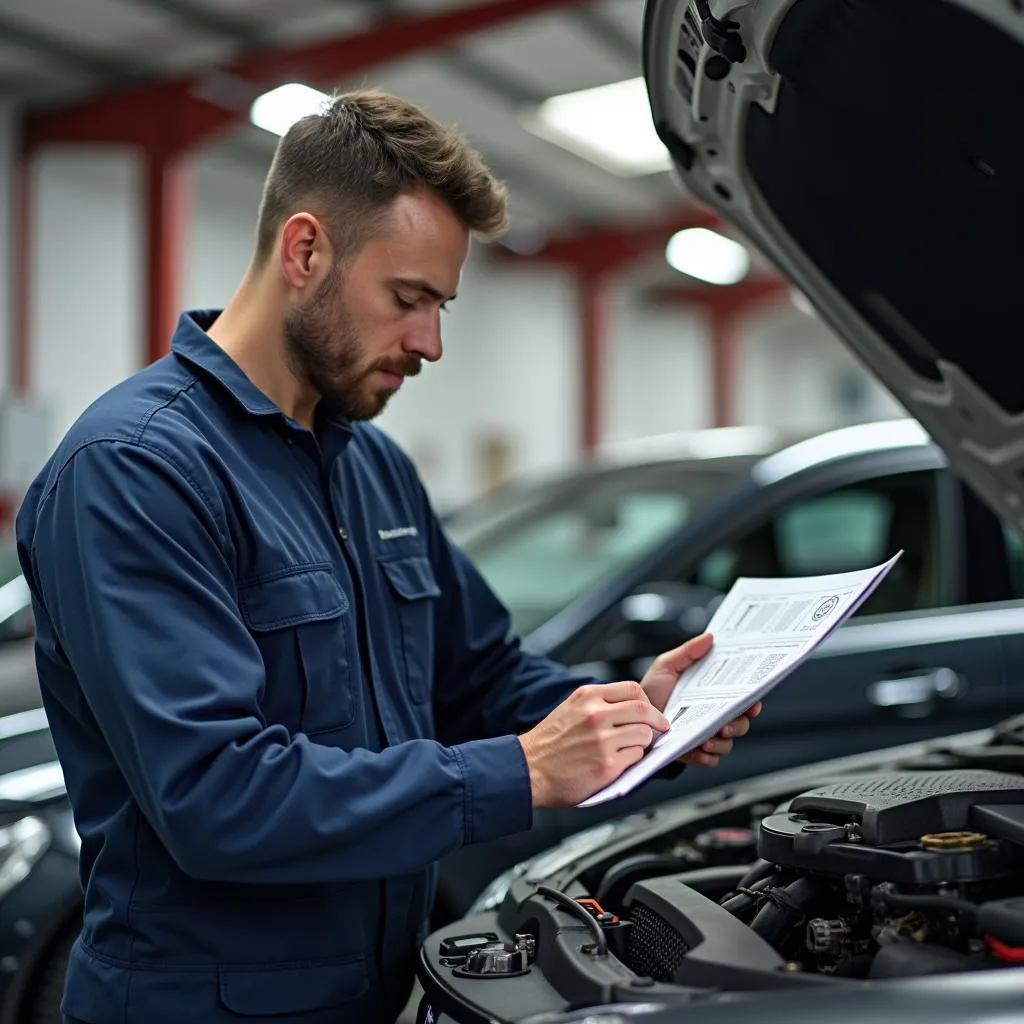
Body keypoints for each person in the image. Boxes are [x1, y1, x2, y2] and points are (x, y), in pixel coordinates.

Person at [15, 90, 761, 1024]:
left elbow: (476, 675)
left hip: (385, 986)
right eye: (408, 300)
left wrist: (629, 719)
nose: (430, 343)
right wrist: (523, 771)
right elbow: (217, 796)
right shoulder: (136, 471)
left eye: (441, 306)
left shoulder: (370, 464)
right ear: (305, 251)